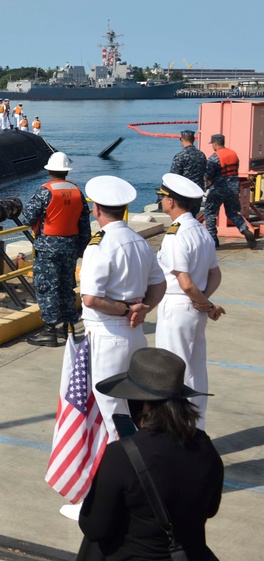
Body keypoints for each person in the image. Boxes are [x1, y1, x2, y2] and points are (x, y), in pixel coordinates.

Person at [74, 348, 223, 561]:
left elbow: (94, 527)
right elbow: (210, 509)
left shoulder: (121, 455)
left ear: (142, 404)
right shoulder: (204, 445)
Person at [80, 176, 166, 437]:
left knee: (112, 411)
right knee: (137, 408)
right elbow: (159, 283)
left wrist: (128, 311)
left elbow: (91, 299)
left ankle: (123, 468)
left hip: (108, 335)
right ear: (124, 209)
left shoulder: (100, 245)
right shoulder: (139, 241)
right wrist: (144, 309)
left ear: (96, 209)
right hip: (136, 335)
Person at [154, 173, 223, 429]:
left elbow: (185, 283)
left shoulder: (176, 235)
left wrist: (202, 302)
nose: (161, 201)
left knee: (172, 372)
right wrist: (205, 303)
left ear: (171, 201)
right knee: (195, 370)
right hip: (195, 308)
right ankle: (197, 428)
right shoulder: (201, 231)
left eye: (163, 197)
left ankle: (176, 431)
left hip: (179, 306)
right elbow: (215, 275)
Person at [25, 152, 90, 346]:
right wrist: (82, 247)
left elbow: (28, 217)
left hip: (48, 247)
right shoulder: (78, 191)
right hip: (70, 246)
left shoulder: (45, 191)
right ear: (66, 171)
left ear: (49, 171)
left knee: (47, 287)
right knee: (66, 285)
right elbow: (84, 223)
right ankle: (68, 327)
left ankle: (50, 330)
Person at [202, 133, 256, 249]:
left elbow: (207, 175)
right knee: (232, 212)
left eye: (213, 144)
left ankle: (213, 240)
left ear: (215, 144)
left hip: (218, 189)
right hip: (233, 188)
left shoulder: (214, 157)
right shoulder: (233, 154)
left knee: (210, 213)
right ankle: (244, 229)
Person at [166, 130, 206, 216]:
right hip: (197, 191)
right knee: (193, 216)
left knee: (181, 217)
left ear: (181, 139)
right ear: (193, 140)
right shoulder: (201, 155)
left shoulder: (180, 155)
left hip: (184, 193)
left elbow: (174, 176)